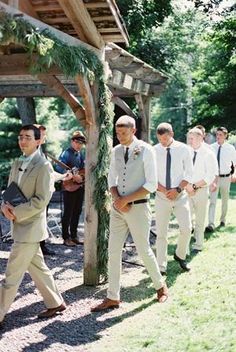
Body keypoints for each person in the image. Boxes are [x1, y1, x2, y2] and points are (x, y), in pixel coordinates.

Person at [91, 115, 168, 313]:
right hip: (118, 209)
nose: (119, 136)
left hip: (139, 208)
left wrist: (126, 200)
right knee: (113, 251)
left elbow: (151, 184)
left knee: (144, 249)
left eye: (123, 133)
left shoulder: (146, 150)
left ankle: (161, 287)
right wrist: (118, 199)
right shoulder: (116, 151)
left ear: (133, 130)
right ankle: (112, 297)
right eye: (117, 133)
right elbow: (111, 179)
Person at [0, 124, 66, 326]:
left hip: (30, 228)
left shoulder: (44, 166)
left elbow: (41, 200)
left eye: (28, 137)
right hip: (18, 224)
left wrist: (15, 212)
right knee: (38, 267)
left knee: (11, 274)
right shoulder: (17, 162)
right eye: (21, 136)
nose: (23, 140)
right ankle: (56, 303)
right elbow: (10, 189)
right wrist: (4, 204)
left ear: (38, 141)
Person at [154, 122, 193, 275]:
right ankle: (161, 266)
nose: (162, 142)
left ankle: (180, 254)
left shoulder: (184, 149)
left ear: (171, 135)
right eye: (159, 139)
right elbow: (150, 175)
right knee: (161, 233)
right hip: (161, 196)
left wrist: (177, 190)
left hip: (180, 196)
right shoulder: (154, 150)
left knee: (186, 228)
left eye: (164, 139)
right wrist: (164, 190)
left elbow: (189, 173)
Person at [186, 128, 218, 253]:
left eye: (192, 138)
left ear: (200, 138)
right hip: (186, 190)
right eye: (189, 138)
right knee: (186, 220)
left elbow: (210, 176)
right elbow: (182, 171)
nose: (189, 141)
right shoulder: (187, 152)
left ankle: (198, 244)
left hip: (201, 191)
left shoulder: (208, 153)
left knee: (200, 219)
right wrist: (187, 187)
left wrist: (194, 187)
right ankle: (185, 245)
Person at [55, 131, 86, 247]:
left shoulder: (80, 154)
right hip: (69, 187)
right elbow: (59, 167)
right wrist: (72, 175)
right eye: (77, 142)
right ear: (72, 141)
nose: (79, 145)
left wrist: (81, 176)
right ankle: (66, 237)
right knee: (68, 212)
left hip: (79, 186)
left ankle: (74, 236)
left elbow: (83, 169)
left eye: (81, 143)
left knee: (77, 211)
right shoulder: (66, 153)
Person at [205, 127, 236, 232]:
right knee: (212, 201)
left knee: (224, 201)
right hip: (214, 178)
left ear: (225, 136)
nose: (218, 137)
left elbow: (235, 164)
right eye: (217, 134)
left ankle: (222, 220)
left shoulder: (230, 148)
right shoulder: (211, 148)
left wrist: (234, 174)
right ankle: (211, 224)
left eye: (220, 135)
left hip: (226, 177)